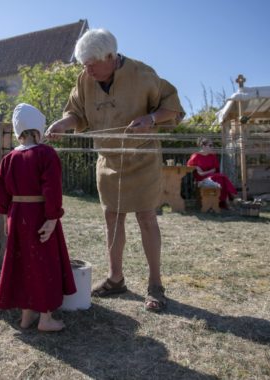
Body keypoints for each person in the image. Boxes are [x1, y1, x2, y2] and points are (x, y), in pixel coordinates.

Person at [46, 28, 184, 312]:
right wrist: (62, 125)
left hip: (142, 160)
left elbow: (172, 107)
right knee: (112, 219)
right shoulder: (85, 78)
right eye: (84, 65)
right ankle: (115, 278)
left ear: (110, 56)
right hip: (108, 161)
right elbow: (76, 113)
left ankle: (155, 285)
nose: (88, 70)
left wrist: (151, 118)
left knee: (146, 218)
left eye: (92, 64)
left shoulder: (143, 74)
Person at [0, 103, 77, 332]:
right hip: (39, 216)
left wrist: (5, 219)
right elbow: (52, 188)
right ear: (37, 129)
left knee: (22, 263)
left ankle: (26, 316)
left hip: (16, 215)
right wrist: (52, 218)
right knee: (44, 264)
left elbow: (1, 193)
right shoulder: (46, 154)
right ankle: (45, 318)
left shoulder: (8, 158)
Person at [187, 137, 238, 209]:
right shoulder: (196, 156)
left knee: (221, 179)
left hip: (212, 176)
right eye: (210, 145)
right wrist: (201, 169)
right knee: (222, 178)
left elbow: (215, 170)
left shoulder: (212, 156)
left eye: (212, 145)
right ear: (203, 146)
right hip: (201, 178)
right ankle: (229, 199)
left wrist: (209, 172)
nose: (212, 147)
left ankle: (224, 202)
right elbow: (194, 170)